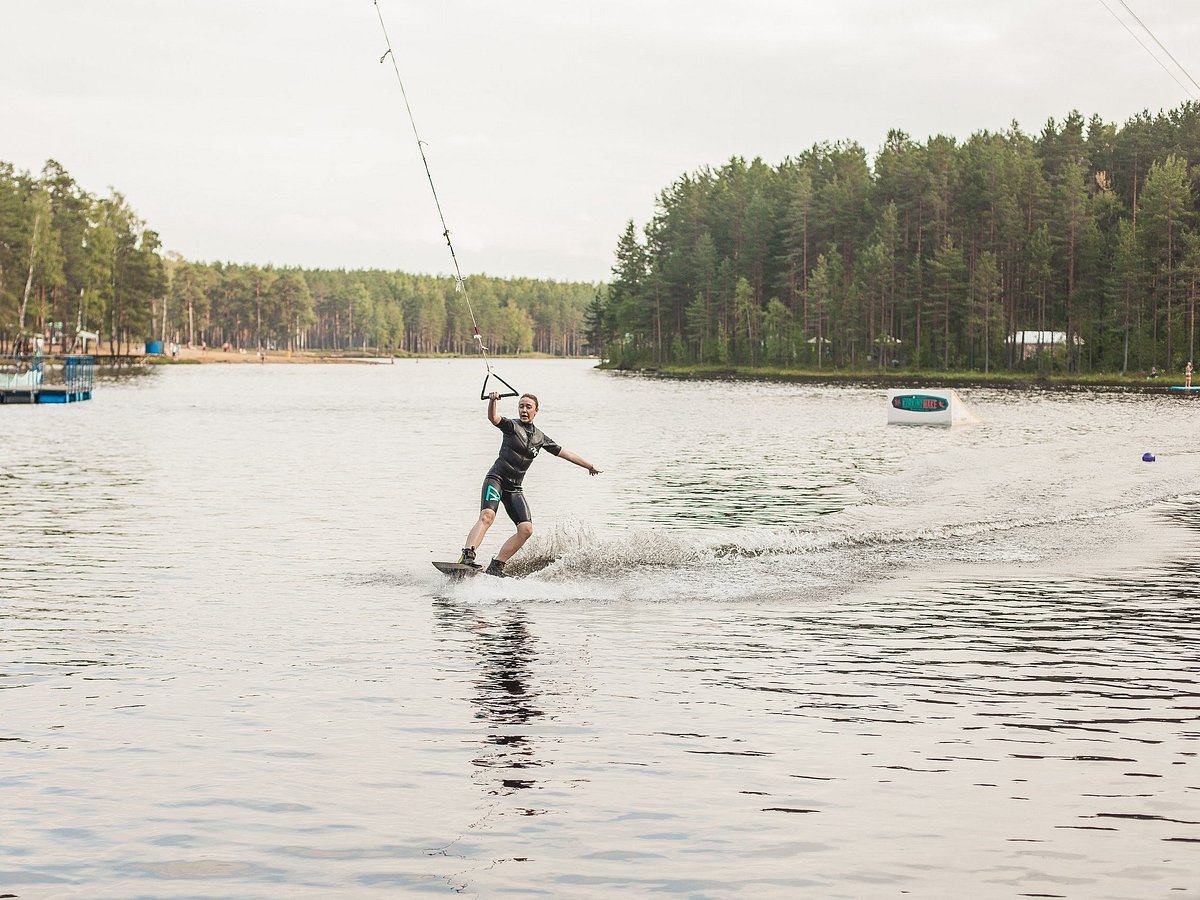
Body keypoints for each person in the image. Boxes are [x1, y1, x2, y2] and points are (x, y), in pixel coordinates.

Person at [459, 391, 601, 577]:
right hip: (497, 479)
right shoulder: (511, 426)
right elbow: (493, 418)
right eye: (521, 406)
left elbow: (567, 454)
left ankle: (496, 566)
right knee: (487, 516)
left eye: (528, 407)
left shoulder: (540, 438)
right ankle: (467, 556)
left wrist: (589, 465)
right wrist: (493, 401)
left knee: (526, 530)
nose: (524, 410)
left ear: (536, 411)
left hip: (515, 488)